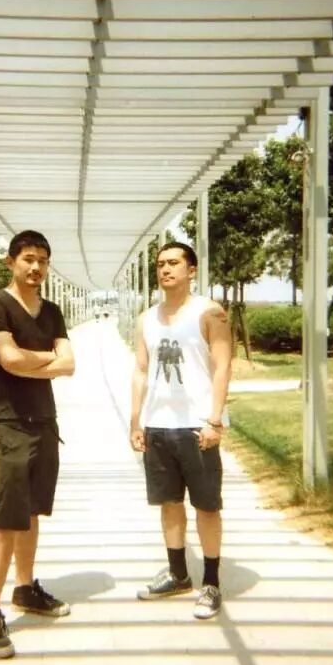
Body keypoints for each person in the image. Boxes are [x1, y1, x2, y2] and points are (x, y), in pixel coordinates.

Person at [0, 230, 75, 658]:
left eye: (42, 260)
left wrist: (27, 361)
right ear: (11, 262)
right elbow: (10, 358)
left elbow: (69, 364)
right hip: (10, 422)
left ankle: (24, 588)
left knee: (33, 510)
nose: (36, 267)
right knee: (9, 514)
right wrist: (46, 359)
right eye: (28, 259)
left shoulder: (51, 311)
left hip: (45, 422)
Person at [130, 242, 232, 619]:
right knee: (169, 503)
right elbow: (142, 370)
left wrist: (214, 419)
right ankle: (177, 575)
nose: (165, 269)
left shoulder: (210, 312)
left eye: (174, 263)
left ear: (191, 270)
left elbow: (223, 366)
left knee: (206, 506)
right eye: (160, 264)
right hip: (158, 425)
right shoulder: (146, 319)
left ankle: (211, 583)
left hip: (196, 425)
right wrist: (136, 420)